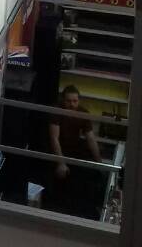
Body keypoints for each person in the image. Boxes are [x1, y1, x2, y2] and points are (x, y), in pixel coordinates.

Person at [47, 85, 105, 219]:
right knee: (68, 177)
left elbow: (90, 138)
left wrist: (100, 163)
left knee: (91, 174)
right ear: (63, 100)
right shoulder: (56, 111)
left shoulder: (83, 112)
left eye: (75, 101)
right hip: (58, 150)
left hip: (74, 149)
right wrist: (61, 163)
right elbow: (54, 139)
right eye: (68, 101)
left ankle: (87, 209)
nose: (72, 104)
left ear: (79, 101)